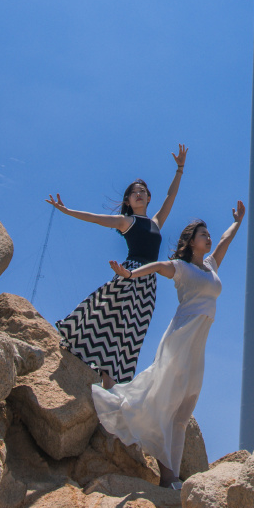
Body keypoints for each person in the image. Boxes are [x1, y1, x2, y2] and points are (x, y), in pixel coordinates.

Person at [92, 200, 246, 488]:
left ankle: (170, 478)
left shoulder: (211, 266)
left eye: (208, 234)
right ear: (190, 241)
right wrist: (128, 274)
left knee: (183, 412)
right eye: (203, 234)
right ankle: (168, 474)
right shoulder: (181, 268)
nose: (208, 237)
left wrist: (238, 221)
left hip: (198, 344)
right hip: (179, 339)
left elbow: (225, 241)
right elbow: (156, 266)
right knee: (167, 402)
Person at [46, 145, 188, 389]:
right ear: (128, 200)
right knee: (110, 320)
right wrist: (66, 210)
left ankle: (111, 383)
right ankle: (102, 375)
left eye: (143, 191)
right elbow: (94, 218)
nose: (139, 194)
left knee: (133, 332)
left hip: (148, 284)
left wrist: (180, 168)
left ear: (148, 197)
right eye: (134, 193)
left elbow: (171, 197)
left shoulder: (155, 222)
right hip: (128, 276)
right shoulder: (127, 221)